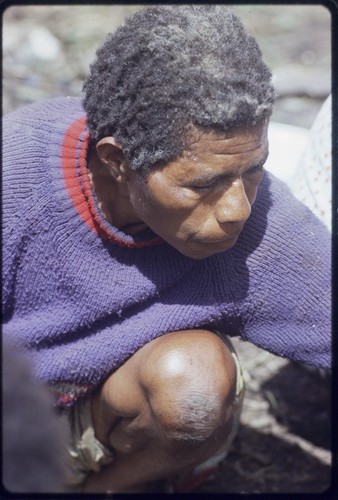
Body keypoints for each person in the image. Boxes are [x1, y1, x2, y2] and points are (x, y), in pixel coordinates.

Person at [2, 5, 331, 493]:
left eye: (254, 169)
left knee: (193, 382)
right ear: (117, 160)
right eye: (204, 185)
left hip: (106, 421)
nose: (237, 208)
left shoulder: (259, 224)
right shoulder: (17, 179)